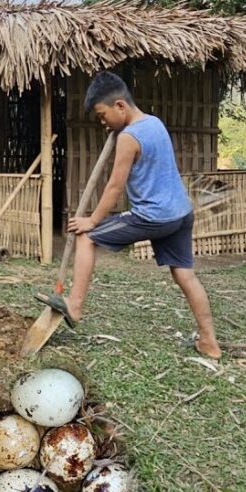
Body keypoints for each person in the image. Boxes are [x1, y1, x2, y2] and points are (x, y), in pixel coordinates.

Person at [36, 71, 222, 359]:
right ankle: (209, 341)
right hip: (181, 213)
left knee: (86, 237)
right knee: (185, 274)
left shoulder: (129, 137)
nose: (102, 122)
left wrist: (92, 221)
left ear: (120, 106)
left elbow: (114, 187)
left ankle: (75, 305)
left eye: (103, 115)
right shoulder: (154, 123)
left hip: (154, 216)